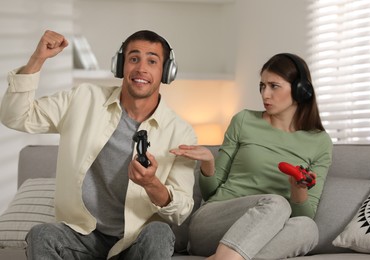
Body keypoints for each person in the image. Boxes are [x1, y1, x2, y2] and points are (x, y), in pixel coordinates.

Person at [0, 30, 197, 259]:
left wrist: (152, 184)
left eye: (152, 61)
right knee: (41, 234)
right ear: (120, 65)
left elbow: (181, 211)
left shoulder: (181, 132)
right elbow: (15, 116)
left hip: (134, 241)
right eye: (134, 59)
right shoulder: (83, 99)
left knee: (160, 233)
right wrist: (38, 58)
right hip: (82, 236)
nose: (141, 68)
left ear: (165, 71)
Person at [170, 53, 333, 260]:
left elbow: (304, 214)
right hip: (213, 222)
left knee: (308, 228)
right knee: (277, 203)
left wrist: (298, 189)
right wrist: (209, 163)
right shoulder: (244, 120)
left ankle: (226, 257)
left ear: (300, 91)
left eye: (274, 86)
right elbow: (210, 193)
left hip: (260, 233)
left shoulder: (320, 142)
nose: (265, 94)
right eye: (262, 86)